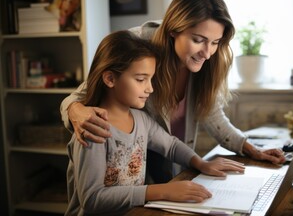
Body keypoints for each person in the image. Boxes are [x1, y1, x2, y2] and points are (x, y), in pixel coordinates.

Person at [60, 0, 285, 184]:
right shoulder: (137, 45)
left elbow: (213, 116)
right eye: (198, 40)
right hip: (118, 178)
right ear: (173, 30)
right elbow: (78, 97)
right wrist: (76, 111)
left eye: (215, 42)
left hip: (167, 173)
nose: (207, 53)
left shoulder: (209, 60)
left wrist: (251, 149)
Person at [65, 30, 246, 215]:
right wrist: (162, 191)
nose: (150, 88)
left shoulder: (141, 120)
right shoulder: (93, 129)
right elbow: (92, 199)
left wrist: (201, 164)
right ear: (110, 78)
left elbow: (172, 146)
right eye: (141, 79)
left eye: (151, 79)